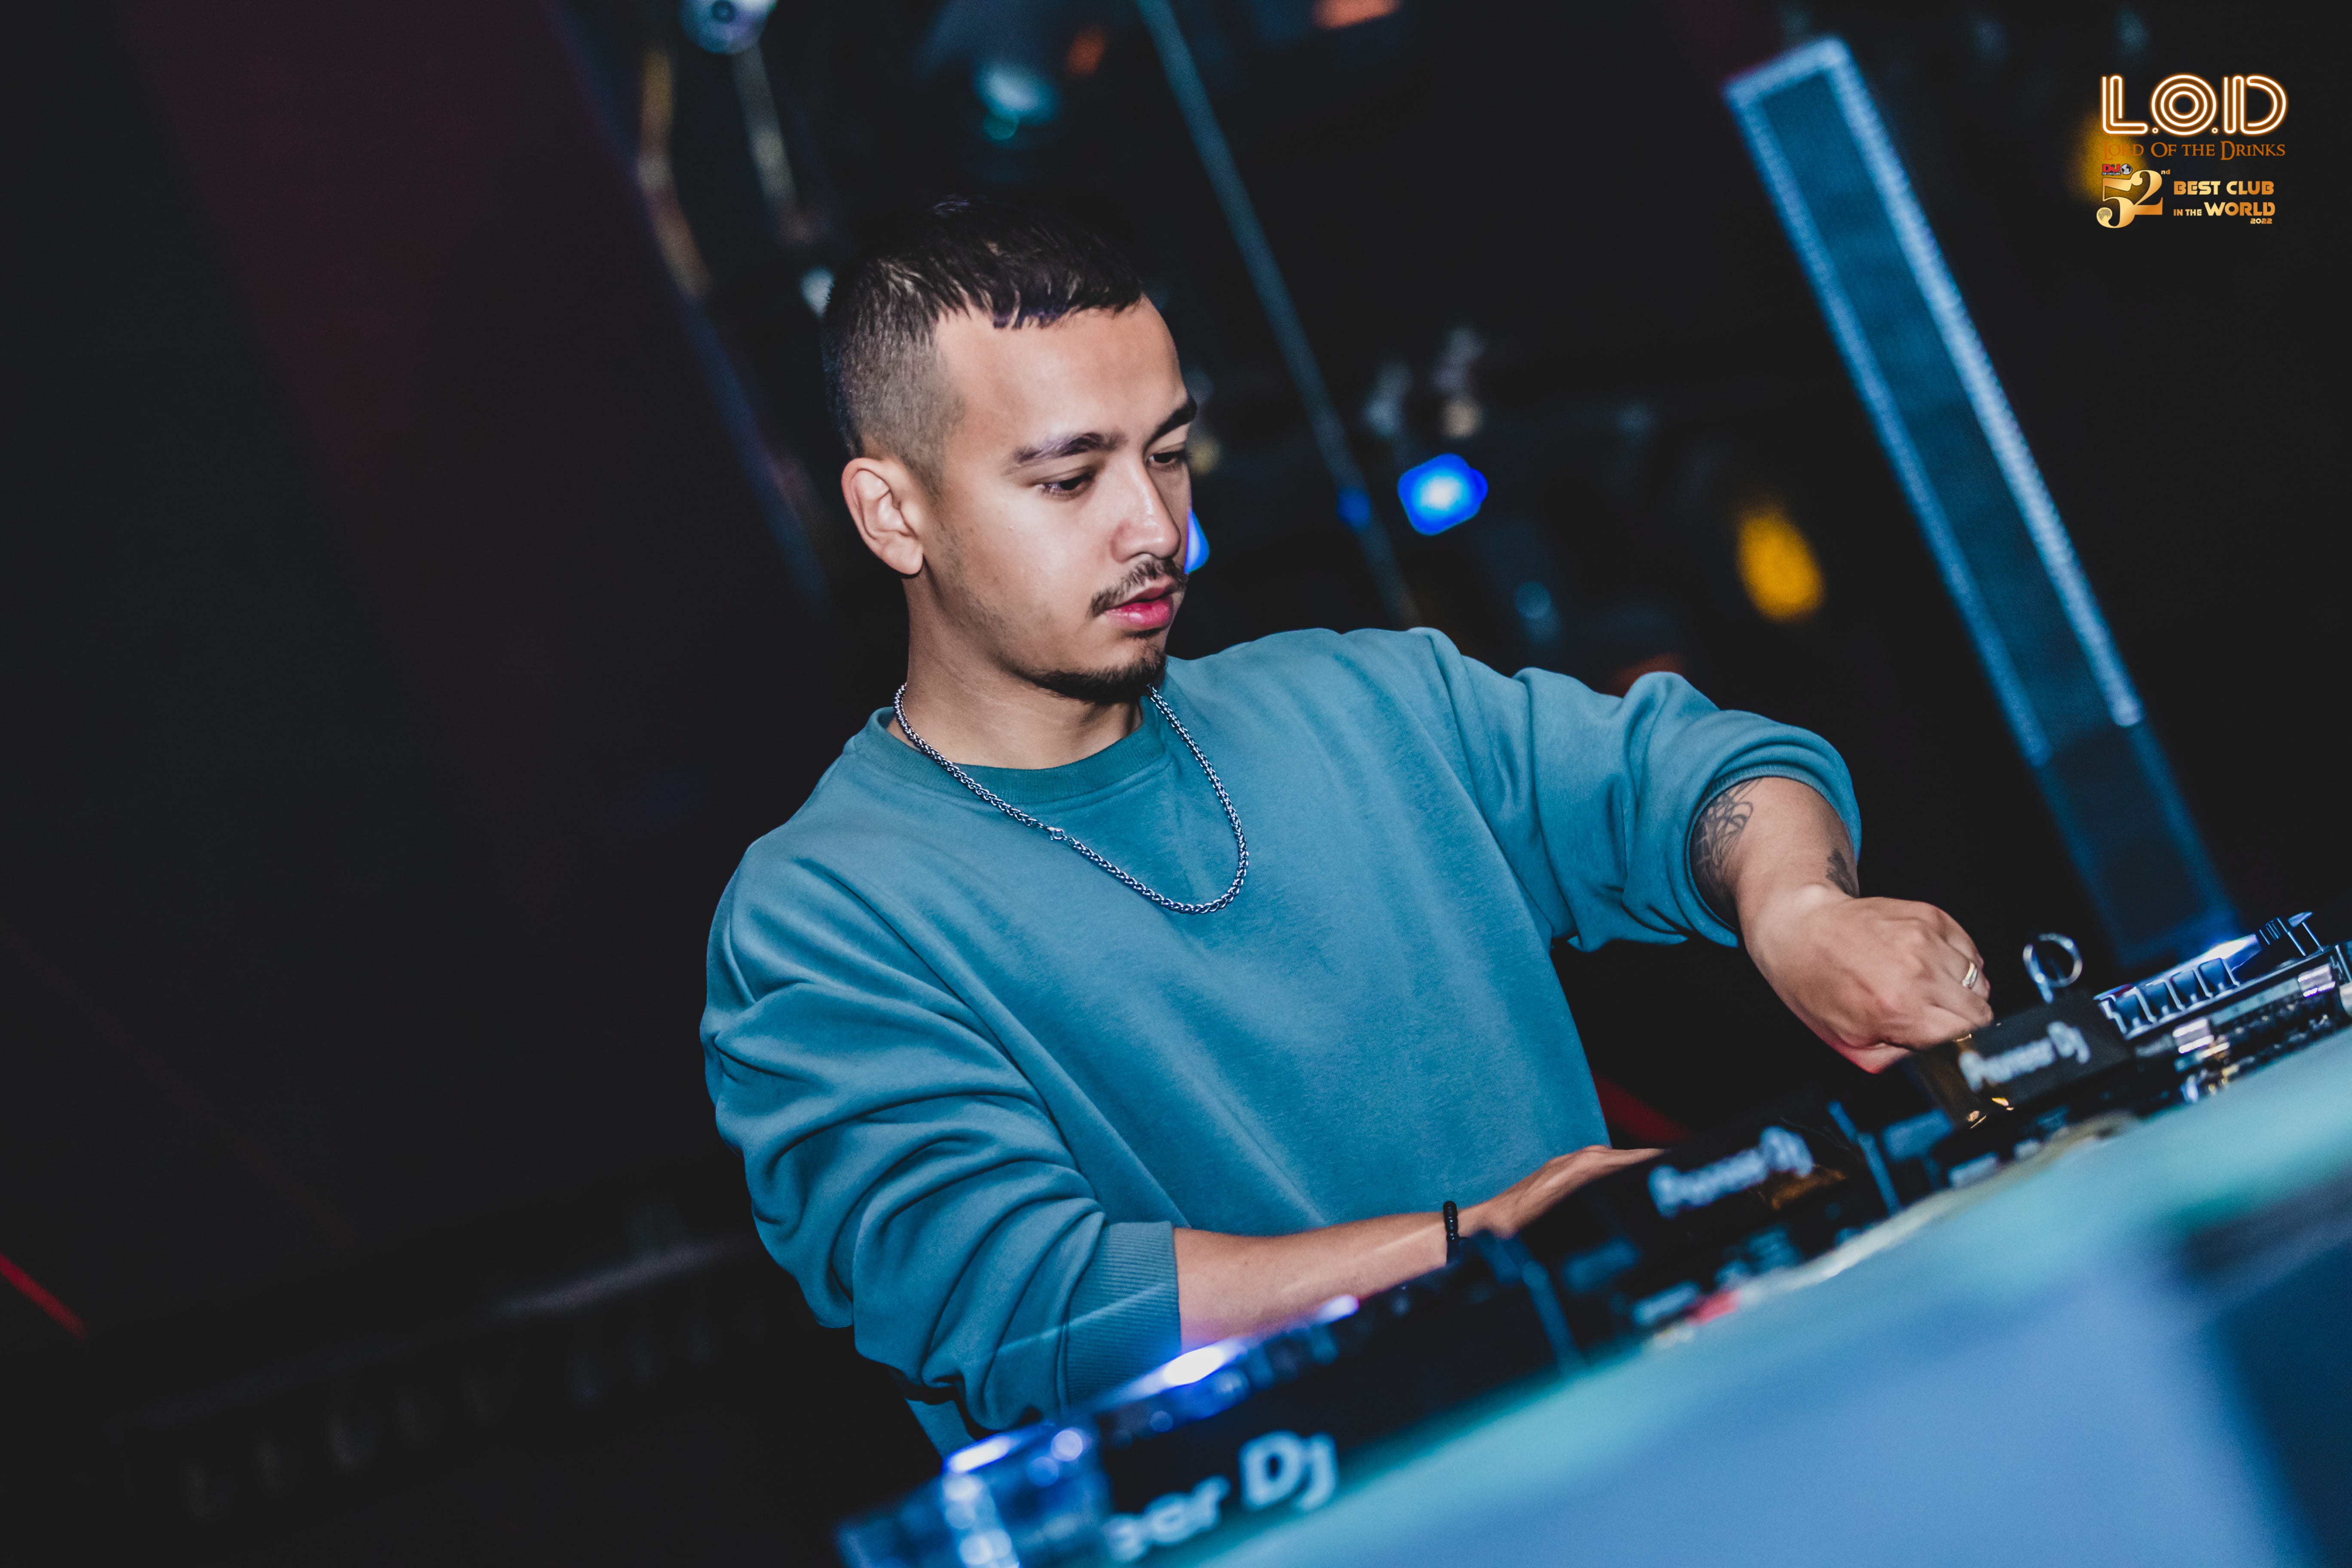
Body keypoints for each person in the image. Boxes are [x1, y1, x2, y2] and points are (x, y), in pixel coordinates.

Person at [701, 197, 1994, 1455]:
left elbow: (1706, 771)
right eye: (1070, 477)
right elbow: (1032, 1309)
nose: (1156, 526)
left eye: (1167, 453)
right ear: (894, 513)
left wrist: (1799, 909)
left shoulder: (1366, 697)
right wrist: (1487, 1252)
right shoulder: (824, 918)